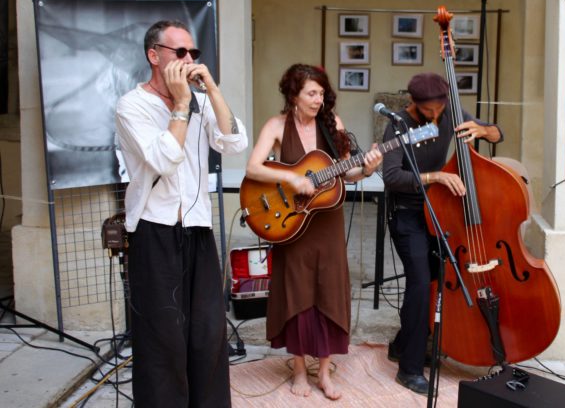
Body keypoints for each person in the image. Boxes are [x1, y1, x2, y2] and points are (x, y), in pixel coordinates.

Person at [115, 20, 248, 406]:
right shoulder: (132, 106)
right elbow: (164, 159)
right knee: (163, 339)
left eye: (194, 52)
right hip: (154, 231)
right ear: (154, 56)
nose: (190, 59)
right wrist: (180, 104)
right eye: (181, 52)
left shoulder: (201, 101)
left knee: (207, 333)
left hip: (197, 228)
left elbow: (234, 142)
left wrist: (213, 90)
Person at [245, 64, 382, 400]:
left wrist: (366, 170)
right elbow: (253, 167)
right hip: (292, 223)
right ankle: (297, 371)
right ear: (294, 94)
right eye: (311, 93)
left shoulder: (333, 124)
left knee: (328, 291)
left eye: (321, 93)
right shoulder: (276, 125)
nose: (318, 100)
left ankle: (323, 372)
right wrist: (293, 179)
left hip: (327, 223)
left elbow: (346, 173)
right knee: (296, 291)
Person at [382, 73, 503, 395]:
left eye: (440, 109)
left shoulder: (451, 111)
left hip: (440, 211)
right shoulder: (398, 126)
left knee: (437, 279)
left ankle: (402, 344)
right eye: (428, 111)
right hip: (407, 213)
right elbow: (391, 176)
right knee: (420, 283)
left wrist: (484, 130)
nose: (436, 117)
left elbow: (497, 132)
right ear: (413, 103)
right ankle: (409, 369)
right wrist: (435, 176)